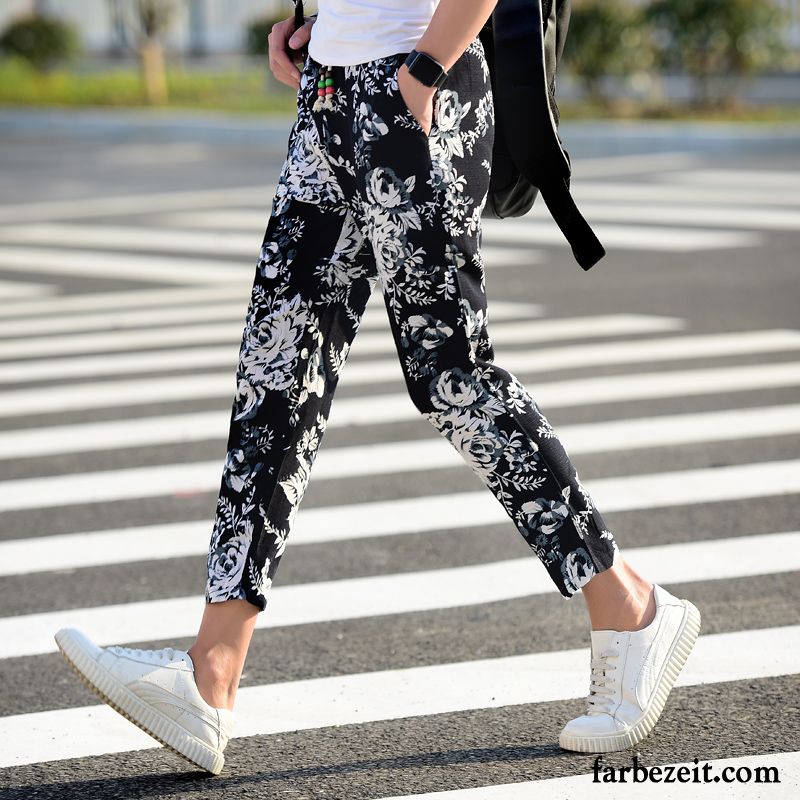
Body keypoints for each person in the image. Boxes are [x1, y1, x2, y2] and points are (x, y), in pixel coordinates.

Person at [54, 0, 701, 776]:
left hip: (419, 84)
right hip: (329, 88)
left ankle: (629, 607)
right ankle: (210, 672)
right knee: (276, 376)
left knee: (452, 376)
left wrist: (423, 72)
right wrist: (312, 18)